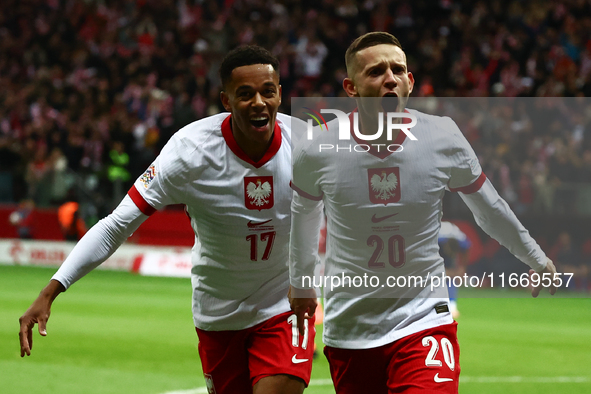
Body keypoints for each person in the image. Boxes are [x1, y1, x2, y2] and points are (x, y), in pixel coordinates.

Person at [19, 46, 315, 394]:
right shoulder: (189, 152)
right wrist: (51, 290)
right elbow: (117, 224)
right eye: (245, 94)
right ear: (226, 100)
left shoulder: (308, 145)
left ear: (280, 93)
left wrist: (306, 277)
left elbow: (336, 209)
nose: (259, 103)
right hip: (218, 314)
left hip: (283, 306)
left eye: (268, 91)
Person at [288, 32, 558, 394]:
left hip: (423, 319)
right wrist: (302, 284)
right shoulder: (318, 148)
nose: (390, 78)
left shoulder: (442, 137)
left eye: (398, 70)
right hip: (351, 328)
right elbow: (303, 216)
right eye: (376, 72)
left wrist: (535, 257)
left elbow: (489, 208)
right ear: (350, 88)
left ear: (410, 82)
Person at [438, 221, 471, 319]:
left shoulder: (461, 241)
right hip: (430, 256)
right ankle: (438, 307)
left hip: (447, 258)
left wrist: (462, 268)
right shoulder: (437, 239)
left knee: (451, 278)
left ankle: (451, 306)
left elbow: (466, 250)